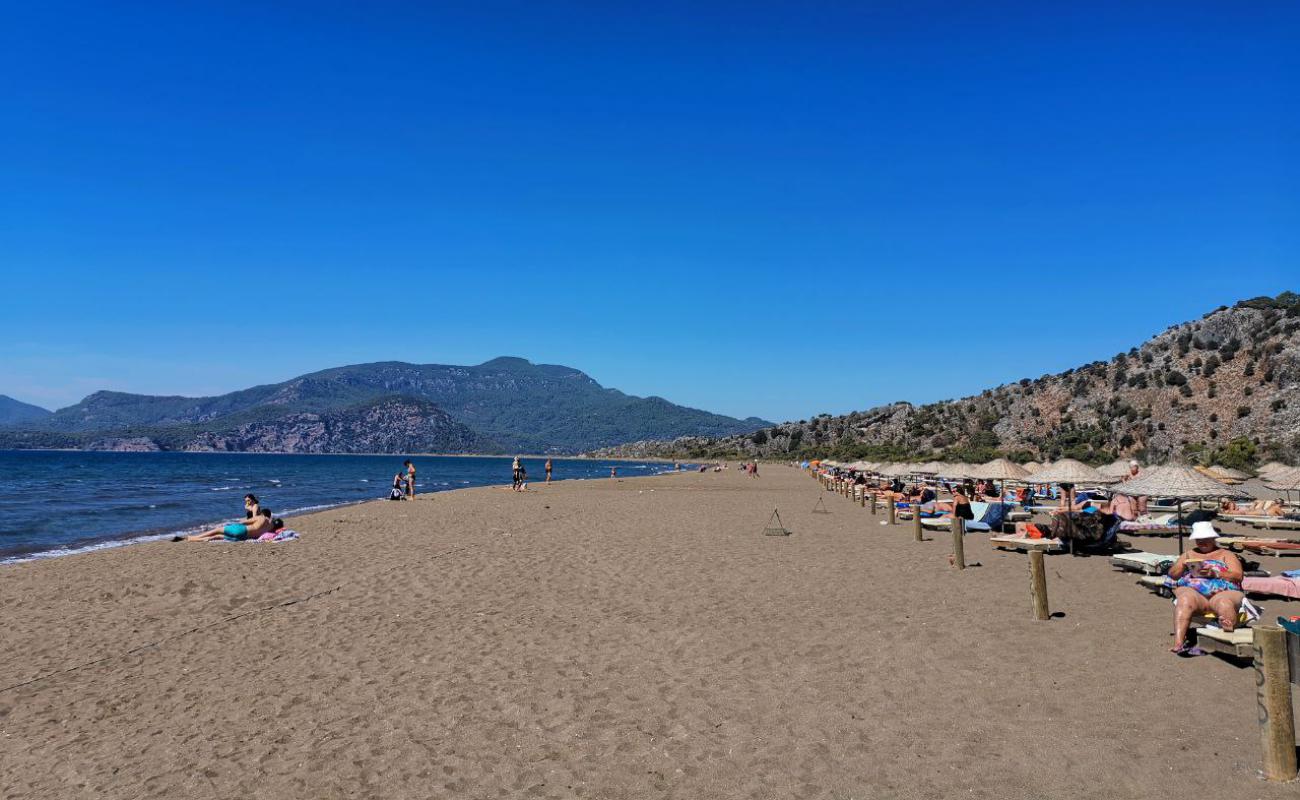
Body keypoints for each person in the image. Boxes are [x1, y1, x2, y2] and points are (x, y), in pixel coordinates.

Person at [1167, 521, 1245, 656]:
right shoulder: (1188, 554)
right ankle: (1179, 643)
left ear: (1213, 538)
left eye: (1205, 539)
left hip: (1223, 592)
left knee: (1224, 603)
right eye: (1199, 539)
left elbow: (1238, 576)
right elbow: (1173, 575)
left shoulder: (1226, 554)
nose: (1202, 542)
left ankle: (1227, 631)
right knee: (1185, 599)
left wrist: (1216, 573)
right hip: (1196, 596)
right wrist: (1182, 567)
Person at [180, 507, 282, 542]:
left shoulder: (261, 517)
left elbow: (243, 522)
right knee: (218, 536)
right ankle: (206, 539)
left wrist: (234, 522)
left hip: (241, 530)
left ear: (263, 513)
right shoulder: (270, 529)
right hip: (243, 537)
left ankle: (194, 537)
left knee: (216, 529)